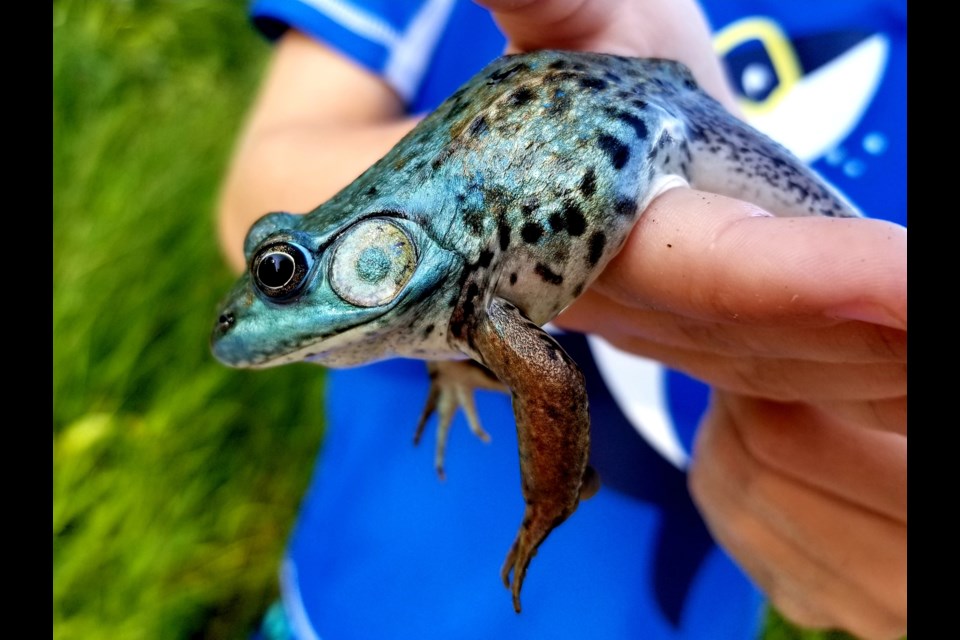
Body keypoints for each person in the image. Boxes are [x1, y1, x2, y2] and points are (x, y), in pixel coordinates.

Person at [218, 1, 906, 638]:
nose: (253, 304)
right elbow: (257, 177)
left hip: (665, 119)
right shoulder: (449, 292)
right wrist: (449, 364)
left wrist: (550, 494)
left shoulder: (473, 302)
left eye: (283, 275)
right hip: (341, 604)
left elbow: (549, 380)